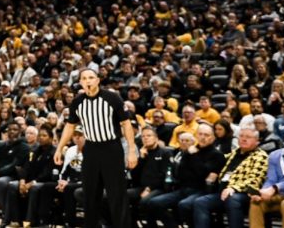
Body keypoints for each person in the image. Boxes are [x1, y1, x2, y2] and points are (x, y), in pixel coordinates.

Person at [54, 68, 139, 228]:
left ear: (98, 80)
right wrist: (59, 148)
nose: (88, 81)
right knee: (90, 196)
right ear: (80, 82)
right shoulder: (77, 102)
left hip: (112, 148)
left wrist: (132, 150)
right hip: (91, 149)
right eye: (84, 78)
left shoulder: (112, 98)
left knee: (117, 196)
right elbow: (70, 126)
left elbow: (126, 124)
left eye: (91, 77)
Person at [183, 126, 268, 228]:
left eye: (248, 137)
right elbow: (217, 162)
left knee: (232, 199)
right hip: (222, 192)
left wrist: (233, 188)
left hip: (243, 194)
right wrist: (213, 171)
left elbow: (255, 179)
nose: (244, 139)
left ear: (257, 141)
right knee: (200, 202)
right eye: (241, 136)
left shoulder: (260, 156)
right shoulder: (234, 153)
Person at [141, 124, 224, 228]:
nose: (203, 137)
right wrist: (190, 156)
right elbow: (180, 172)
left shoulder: (216, 155)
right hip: (183, 188)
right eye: (200, 134)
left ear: (213, 137)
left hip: (201, 190)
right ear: (196, 136)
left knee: (184, 205)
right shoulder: (189, 151)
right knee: (154, 203)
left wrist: (193, 156)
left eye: (206, 135)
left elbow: (202, 174)